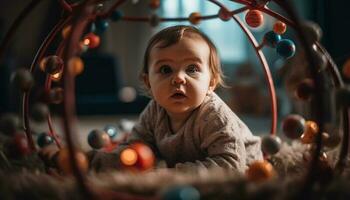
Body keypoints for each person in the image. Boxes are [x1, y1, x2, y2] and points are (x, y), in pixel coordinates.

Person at [90, 25, 263, 172]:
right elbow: (136, 147)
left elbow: (231, 166)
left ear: (211, 82)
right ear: (148, 81)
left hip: (248, 166)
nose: (179, 78)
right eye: (166, 69)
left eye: (192, 69)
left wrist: (172, 174)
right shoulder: (154, 111)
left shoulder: (214, 116)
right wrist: (103, 160)